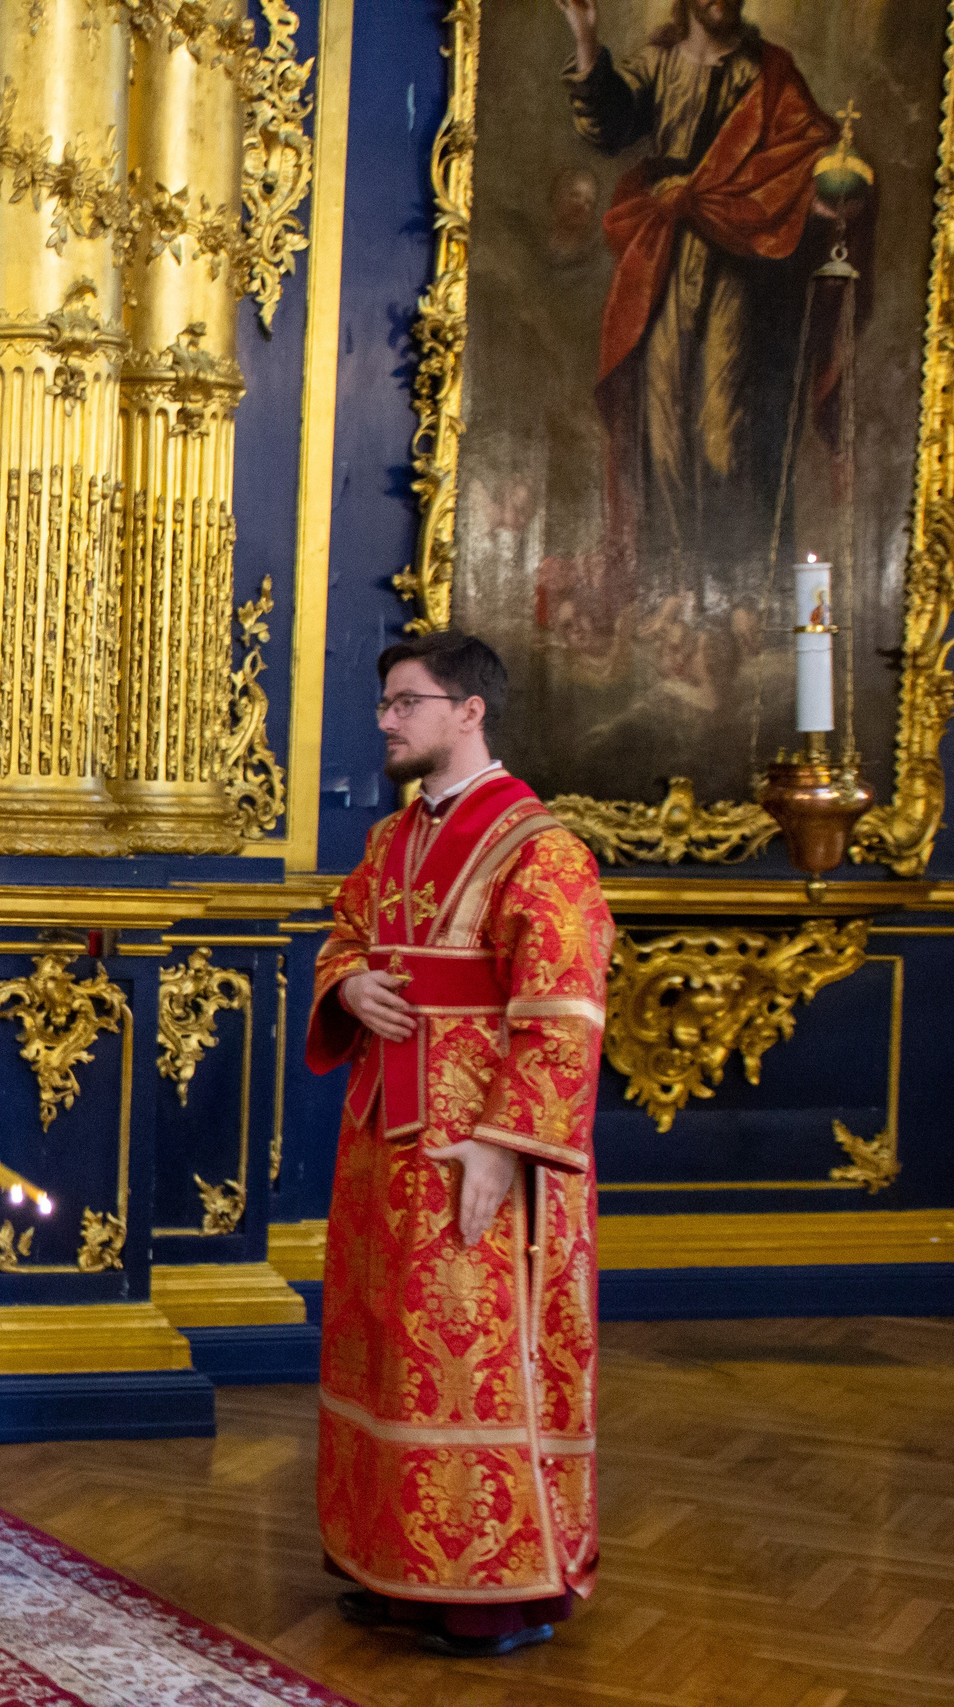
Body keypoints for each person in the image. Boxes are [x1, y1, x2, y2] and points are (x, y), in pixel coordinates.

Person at [305, 632, 614, 1658]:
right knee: (390, 1353)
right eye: (386, 703)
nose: (386, 721)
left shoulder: (540, 848)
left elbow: (562, 1013)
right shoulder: (393, 840)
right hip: (382, 1137)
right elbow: (348, 933)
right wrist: (348, 983)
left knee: (473, 1359)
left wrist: (501, 1147)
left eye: (405, 703)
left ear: (468, 711)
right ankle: (393, 1566)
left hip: (477, 1145)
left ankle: (492, 1590)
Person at [559, 0, 846, 580]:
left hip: (740, 257)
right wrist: (587, 38)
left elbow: (809, 147)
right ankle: (670, 582)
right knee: (662, 421)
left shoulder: (770, 71)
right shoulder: (658, 63)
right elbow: (608, 125)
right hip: (664, 251)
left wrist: (817, 192)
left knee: (725, 423)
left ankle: (732, 583)